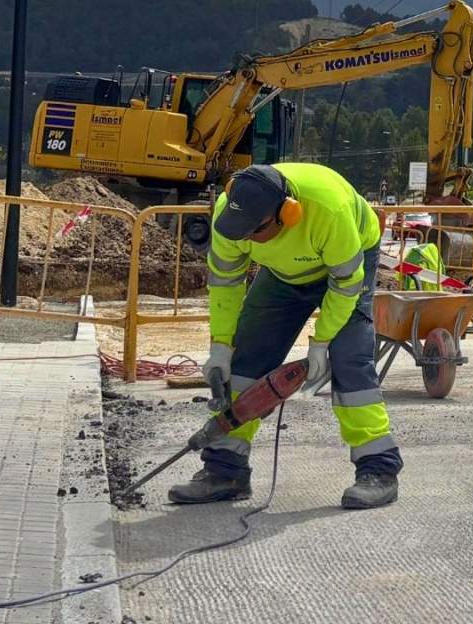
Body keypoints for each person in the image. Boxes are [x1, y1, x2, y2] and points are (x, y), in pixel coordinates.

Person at [168, 163, 402, 508]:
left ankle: (378, 468)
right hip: (282, 275)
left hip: (346, 268)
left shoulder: (329, 211)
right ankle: (225, 469)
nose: (245, 239)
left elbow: (345, 285)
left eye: (254, 232)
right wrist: (220, 346)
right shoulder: (232, 221)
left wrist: (321, 342)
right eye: (240, 233)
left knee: (349, 357)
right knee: (246, 358)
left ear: (287, 214)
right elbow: (226, 284)